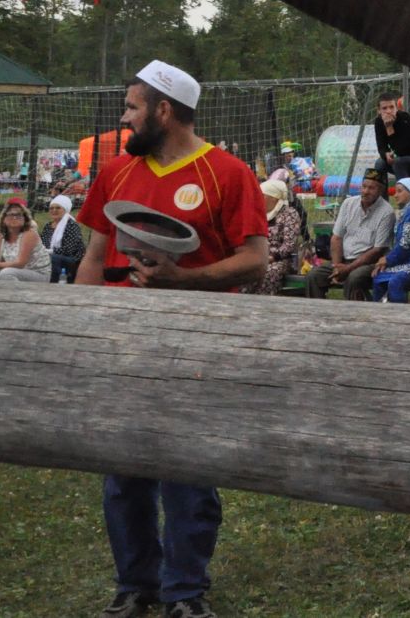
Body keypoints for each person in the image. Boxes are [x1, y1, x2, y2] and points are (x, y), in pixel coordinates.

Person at [75, 61, 267, 618]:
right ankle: (137, 586)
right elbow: (92, 256)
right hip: (121, 340)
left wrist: (182, 280)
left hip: (196, 343)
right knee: (124, 471)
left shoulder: (226, 172)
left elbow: (255, 262)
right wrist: (85, 331)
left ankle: (185, 592)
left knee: (188, 473)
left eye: (132, 107)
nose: (124, 117)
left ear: (163, 110)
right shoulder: (115, 171)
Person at [302, 170, 394, 301]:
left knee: (354, 278)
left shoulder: (387, 212)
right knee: (313, 276)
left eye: (371, 188)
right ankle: (317, 314)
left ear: (380, 191)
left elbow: (377, 250)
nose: (366, 191)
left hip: (369, 263)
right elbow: (336, 237)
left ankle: (352, 317)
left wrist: (347, 269)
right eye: (364, 186)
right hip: (342, 260)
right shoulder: (348, 203)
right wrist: (336, 266)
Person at [372, 177, 410, 303]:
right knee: (378, 276)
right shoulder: (408, 211)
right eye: (395, 191)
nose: (395, 195)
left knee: (396, 281)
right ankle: (380, 313)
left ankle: (399, 317)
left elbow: (406, 246)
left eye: (400, 191)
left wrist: (387, 260)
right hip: (407, 261)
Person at [241, 180, 306, 297]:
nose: (258, 199)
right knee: (242, 271)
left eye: (263, 196)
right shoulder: (257, 214)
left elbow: (289, 245)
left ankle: (265, 305)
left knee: (268, 273)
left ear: (274, 198)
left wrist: (271, 257)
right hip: (258, 256)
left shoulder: (289, 214)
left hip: (281, 260)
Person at [370, 90, 410, 190]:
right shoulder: (379, 122)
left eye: (391, 107)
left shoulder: (407, 120)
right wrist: (385, 154)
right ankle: (381, 201)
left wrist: (389, 128)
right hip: (401, 164)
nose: (389, 111)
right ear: (379, 110)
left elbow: (404, 150)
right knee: (380, 163)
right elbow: (381, 146)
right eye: (384, 108)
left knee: (399, 162)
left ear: (397, 108)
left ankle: (405, 199)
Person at [0, 197, 50, 282]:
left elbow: (20, 263)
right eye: (11, 214)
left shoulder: (29, 234)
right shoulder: (2, 237)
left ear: (25, 219)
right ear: (4, 219)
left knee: (6, 273)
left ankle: (17, 295)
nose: (14, 217)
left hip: (38, 274)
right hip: (17, 272)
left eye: (18, 215)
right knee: (5, 272)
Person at [43, 191, 86, 283]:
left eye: (58, 208)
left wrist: (49, 252)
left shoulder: (71, 225)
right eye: (51, 208)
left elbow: (69, 250)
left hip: (71, 260)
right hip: (50, 256)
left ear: (65, 209)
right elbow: (42, 244)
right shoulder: (47, 226)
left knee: (52, 258)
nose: (54, 210)